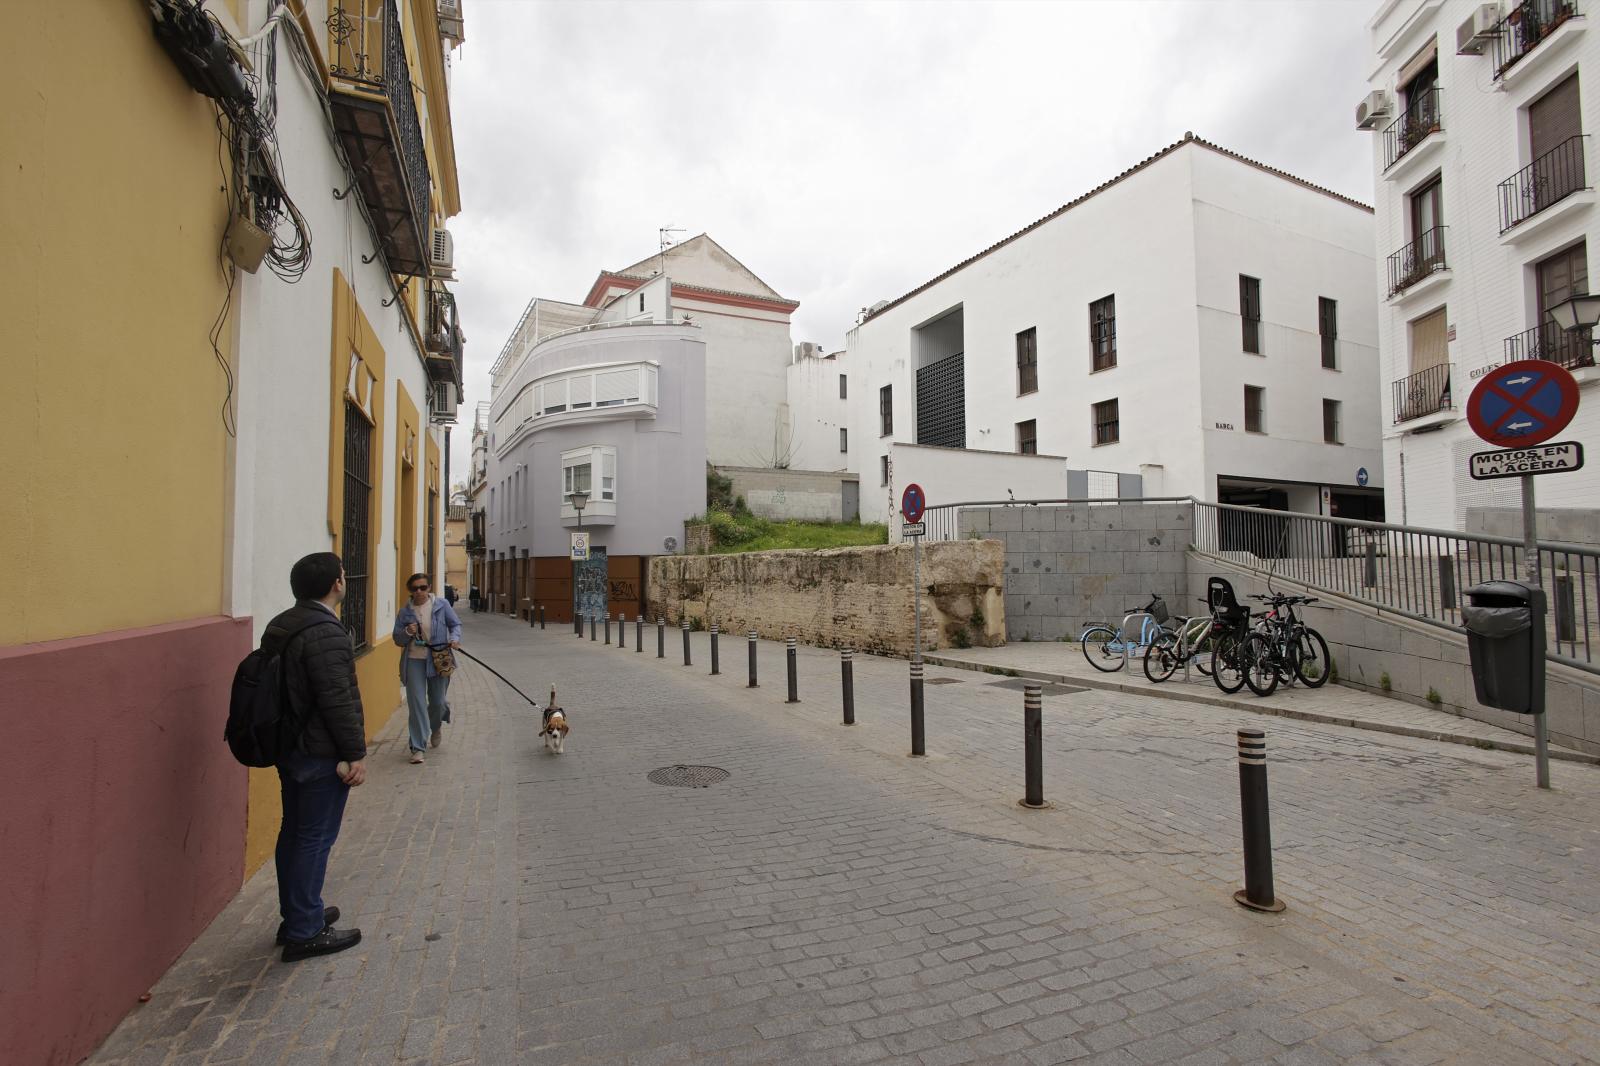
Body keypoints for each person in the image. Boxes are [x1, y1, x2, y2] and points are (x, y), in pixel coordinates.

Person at [259, 551, 367, 962]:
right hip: (318, 751)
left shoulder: (283, 622)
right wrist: (355, 752)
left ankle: (298, 914)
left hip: (290, 745)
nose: (344, 579)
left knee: (295, 833)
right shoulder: (327, 631)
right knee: (313, 838)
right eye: (342, 574)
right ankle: (305, 930)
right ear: (336, 584)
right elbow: (337, 698)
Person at [393, 572, 462, 764]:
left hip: (439, 659)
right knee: (417, 704)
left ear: (429, 588)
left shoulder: (441, 605)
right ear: (410, 591)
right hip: (414, 660)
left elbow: (455, 624)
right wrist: (407, 631)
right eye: (415, 588)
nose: (419, 592)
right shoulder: (405, 612)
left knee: (438, 702)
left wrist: (454, 639)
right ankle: (418, 747)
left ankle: (436, 724)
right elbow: (397, 639)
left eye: (423, 587)